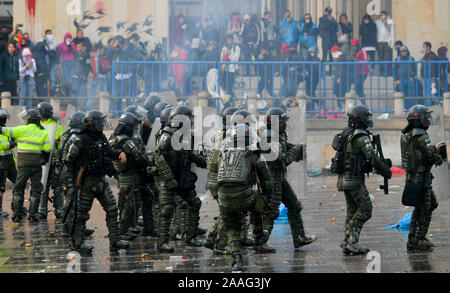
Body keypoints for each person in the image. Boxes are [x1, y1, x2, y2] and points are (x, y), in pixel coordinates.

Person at [210, 123, 273, 271]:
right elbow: (267, 180)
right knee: (257, 209)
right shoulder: (253, 154)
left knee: (232, 228)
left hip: (224, 197)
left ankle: (236, 260)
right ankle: (258, 237)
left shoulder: (221, 153)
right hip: (245, 196)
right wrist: (267, 198)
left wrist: (217, 197)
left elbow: (212, 176)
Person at [64, 110, 129, 254]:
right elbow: (69, 162)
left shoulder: (101, 138)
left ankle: (115, 241)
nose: (102, 124)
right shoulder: (79, 140)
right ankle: (78, 243)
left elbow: (108, 153)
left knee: (112, 209)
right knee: (81, 215)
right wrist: (70, 185)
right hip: (86, 182)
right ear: (91, 124)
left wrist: (119, 153)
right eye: (99, 121)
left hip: (100, 181)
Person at [333, 105, 392, 255]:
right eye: (366, 117)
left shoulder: (346, 134)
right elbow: (372, 157)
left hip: (344, 180)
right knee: (366, 210)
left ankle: (347, 241)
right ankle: (352, 242)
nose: (368, 120)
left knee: (352, 210)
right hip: (354, 181)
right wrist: (386, 171)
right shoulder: (361, 136)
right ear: (360, 119)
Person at [259, 108, 316, 253]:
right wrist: (296, 151)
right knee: (271, 211)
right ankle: (261, 242)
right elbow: (282, 160)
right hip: (271, 179)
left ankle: (299, 237)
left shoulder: (278, 134)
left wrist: (296, 148)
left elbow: (284, 147)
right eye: (282, 122)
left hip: (278, 177)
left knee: (294, 205)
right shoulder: (269, 136)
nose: (284, 124)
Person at [153, 105, 207, 252]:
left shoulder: (187, 135)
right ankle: (162, 242)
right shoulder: (167, 134)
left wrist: (204, 162)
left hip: (182, 176)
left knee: (194, 203)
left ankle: (190, 237)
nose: (191, 121)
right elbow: (159, 156)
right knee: (167, 209)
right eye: (188, 118)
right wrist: (169, 179)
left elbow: (187, 155)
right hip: (166, 178)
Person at [400, 105, 445, 251]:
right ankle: (416, 239)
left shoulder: (406, 134)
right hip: (421, 180)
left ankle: (415, 238)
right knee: (424, 209)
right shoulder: (420, 136)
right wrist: (441, 155)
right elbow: (433, 158)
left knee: (427, 205)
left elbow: (419, 154)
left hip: (414, 177)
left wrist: (433, 150)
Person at [1, 109, 51, 223]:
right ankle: (33, 216)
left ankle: (17, 215)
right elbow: (47, 148)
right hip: (37, 165)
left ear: (29, 119)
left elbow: (3, 131)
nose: (24, 120)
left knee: (19, 188)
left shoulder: (20, 129)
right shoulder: (43, 132)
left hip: (23, 165)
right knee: (35, 190)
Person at [109, 112, 153, 240]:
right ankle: (123, 231)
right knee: (129, 205)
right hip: (129, 175)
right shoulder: (126, 141)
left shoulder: (113, 137)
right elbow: (139, 157)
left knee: (125, 202)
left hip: (122, 175)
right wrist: (149, 163)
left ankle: (126, 228)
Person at [204, 107, 239, 254]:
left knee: (225, 211)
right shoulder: (225, 137)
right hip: (219, 180)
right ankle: (220, 243)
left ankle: (211, 239)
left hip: (215, 179)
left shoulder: (219, 135)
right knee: (228, 212)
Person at [58, 111, 94, 238]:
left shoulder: (70, 134)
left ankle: (80, 228)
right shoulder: (75, 136)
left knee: (78, 203)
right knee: (71, 202)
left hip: (73, 172)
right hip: (71, 174)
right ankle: (68, 229)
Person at [37, 102, 64, 220]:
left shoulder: (56, 125)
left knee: (57, 186)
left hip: (53, 159)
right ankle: (42, 209)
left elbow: (56, 142)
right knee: (42, 184)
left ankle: (59, 209)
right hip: (42, 159)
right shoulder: (37, 124)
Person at [0, 109, 17, 217]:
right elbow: (5, 146)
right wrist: (14, 143)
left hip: (9, 162)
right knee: (0, 188)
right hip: (1, 163)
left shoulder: (5, 130)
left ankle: (16, 205)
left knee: (18, 182)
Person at [220, 35, 241, 106]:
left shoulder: (236, 47)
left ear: (233, 40)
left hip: (232, 70)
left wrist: (228, 56)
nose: (229, 41)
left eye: (230, 40)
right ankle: (230, 102)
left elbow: (235, 59)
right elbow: (221, 58)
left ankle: (229, 103)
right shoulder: (224, 48)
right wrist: (224, 57)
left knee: (229, 87)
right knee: (224, 87)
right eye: (228, 40)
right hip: (225, 70)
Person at [331, 45, 353, 110]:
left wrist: (339, 77)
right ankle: (341, 105)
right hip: (340, 77)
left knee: (338, 91)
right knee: (339, 91)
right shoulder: (338, 58)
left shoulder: (340, 58)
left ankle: (344, 104)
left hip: (342, 78)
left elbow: (341, 68)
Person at [376, 11, 395, 76]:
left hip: (387, 42)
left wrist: (385, 22)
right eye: (381, 15)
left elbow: (390, 30)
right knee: (380, 58)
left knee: (387, 58)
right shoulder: (377, 22)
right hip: (380, 42)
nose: (382, 17)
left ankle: (387, 72)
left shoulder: (390, 21)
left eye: (384, 15)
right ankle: (381, 72)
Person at [351, 39, 370, 103]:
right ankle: (362, 101)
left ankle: (362, 101)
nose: (353, 48)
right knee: (358, 86)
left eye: (354, 46)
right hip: (358, 71)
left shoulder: (363, 51)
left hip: (363, 71)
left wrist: (356, 62)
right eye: (352, 46)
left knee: (358, 86)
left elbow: (365, 61)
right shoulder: (356, 52)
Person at [42, 29, 59, 97]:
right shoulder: (43, 42)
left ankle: (52, 94)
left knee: (53, 79)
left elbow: (57, 53)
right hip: (45, 64)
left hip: (52, 63)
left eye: (50, 34)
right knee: (45, 79)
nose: (50, 35)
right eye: (48, 34)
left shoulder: (55, 43)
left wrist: (58, 63)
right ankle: (45, 94)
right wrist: (45, 40)